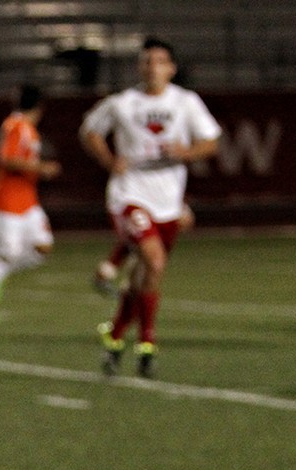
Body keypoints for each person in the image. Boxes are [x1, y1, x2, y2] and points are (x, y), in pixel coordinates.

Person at [80, 37, 219, 378]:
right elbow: (90, 131)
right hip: (129, 196)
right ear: (139, 67)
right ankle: (148, 342)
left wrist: (184, 153)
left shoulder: (186, 102)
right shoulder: (122, 103)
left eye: (159, 61)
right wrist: (110, 161)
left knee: (147, 274)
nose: (152, 67)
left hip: (168, 203)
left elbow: (210, 143)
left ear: (171, 68)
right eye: (146, 61)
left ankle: (115, 338)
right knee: (153, 260)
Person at [0, 85, 61, 323]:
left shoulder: (27, 129)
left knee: (43, 248)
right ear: (40, 107)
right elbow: (6, 159)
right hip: (5, 200)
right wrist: (42, 168)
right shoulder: (16, 126)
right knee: (7, 252)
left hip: (27, 200)